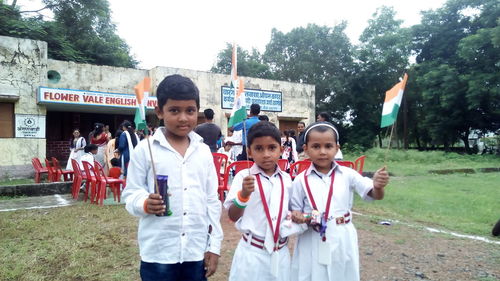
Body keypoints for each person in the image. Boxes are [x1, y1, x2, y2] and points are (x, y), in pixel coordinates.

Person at [121, 74, 223, 281]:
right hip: (159, 252)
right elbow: (130, 194)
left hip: (195, 250)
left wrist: (214, 245)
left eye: (190, 111)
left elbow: (212, 200)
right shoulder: (145, 149)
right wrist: (144, 203)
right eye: (174, 110)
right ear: (159, 111)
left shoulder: (203, 152)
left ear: (198, 111)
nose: (183, 118)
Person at [289, 122, 389, 281]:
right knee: (310, 273)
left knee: (342, 273)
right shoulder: (300, 180)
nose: (322, 152)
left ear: (337, 148)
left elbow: (375, 194)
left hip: (342, 234)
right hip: (312, 236)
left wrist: (378, 186)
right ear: (306, 149)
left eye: (328, 146)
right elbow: (294, 210)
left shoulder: (348, 174)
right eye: (316, 146)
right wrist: (298, 216)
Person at [224, 121, 292, 281]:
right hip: (252, 254)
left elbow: (290, 212)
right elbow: (233, 216)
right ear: (249, 152)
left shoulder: (287, 180)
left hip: (280, 252)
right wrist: (244, 195)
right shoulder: (244, 177)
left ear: (281, 150)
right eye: (259, 148)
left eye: (272, 148)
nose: (266, 154)